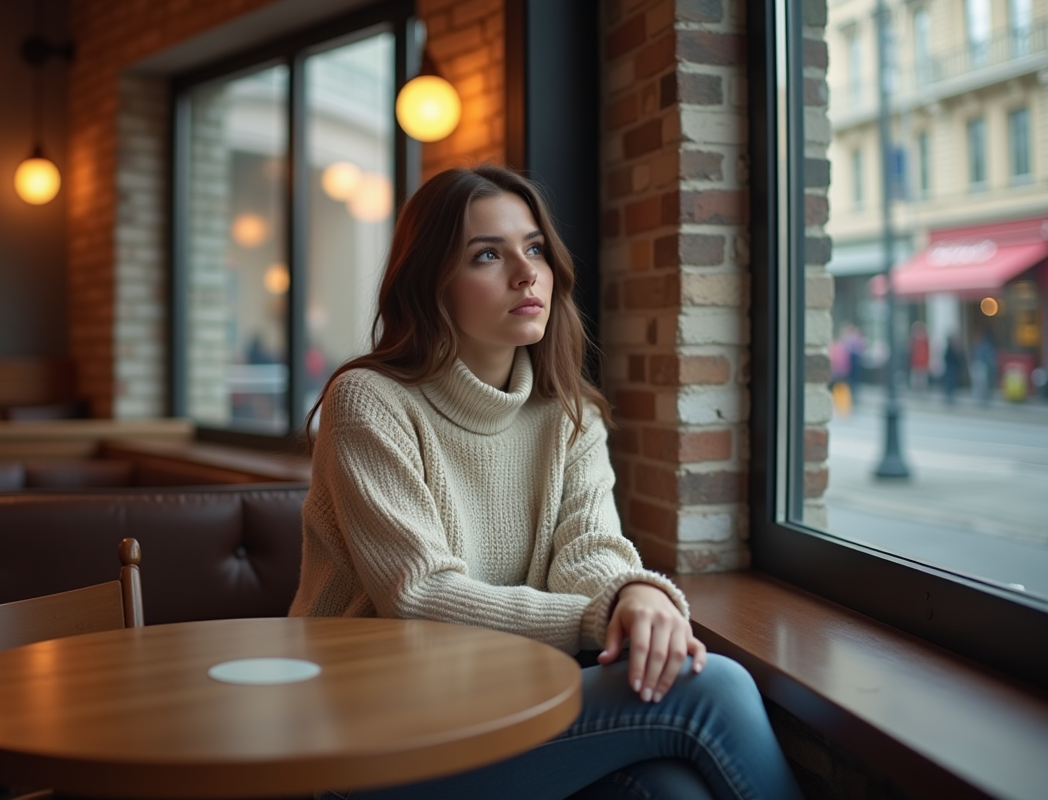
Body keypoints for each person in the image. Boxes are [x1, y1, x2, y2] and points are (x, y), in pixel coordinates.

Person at [290, 165, 802, 800]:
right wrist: (599, 615)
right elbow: (420, 598)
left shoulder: (569, 413)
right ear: (430, 284)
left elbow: (589, 551)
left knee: (671, 790)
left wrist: (632, 593)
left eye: (534, 248)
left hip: (503, 708)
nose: (525, 272)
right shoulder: (367, 402)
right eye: (486, 255)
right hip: (367, 734)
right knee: (713, 689)